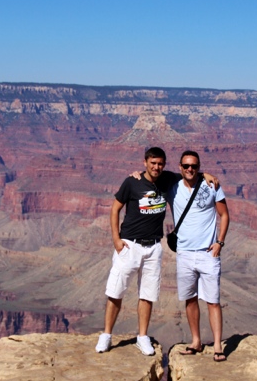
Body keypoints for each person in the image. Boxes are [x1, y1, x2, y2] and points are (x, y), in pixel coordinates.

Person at [95, 147, 174, 355]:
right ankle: (106, 335)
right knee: (115, 292)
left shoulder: (166, 180)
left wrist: (207, 175)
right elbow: (115, 209)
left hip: (154, 246)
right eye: (153, 163)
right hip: (130, 245)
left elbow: (191, 173)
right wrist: (116, 240)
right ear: (145, 162)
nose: (156, 167)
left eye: (160, 163)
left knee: (147, 294)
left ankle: (142, 337)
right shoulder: (132, 182)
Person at [168, 150, 230, 362]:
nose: (190, 169)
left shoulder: (211, 185)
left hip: (207, 253)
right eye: (186, 166)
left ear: (199, 167)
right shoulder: (172, 187)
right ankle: (196, 341)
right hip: (184, 254)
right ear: (180, 167)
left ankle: (218, 345)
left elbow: (224, 214)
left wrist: (219, 242)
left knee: (213, 301)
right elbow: (152, 173)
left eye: (194, 166)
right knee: (190, 299)